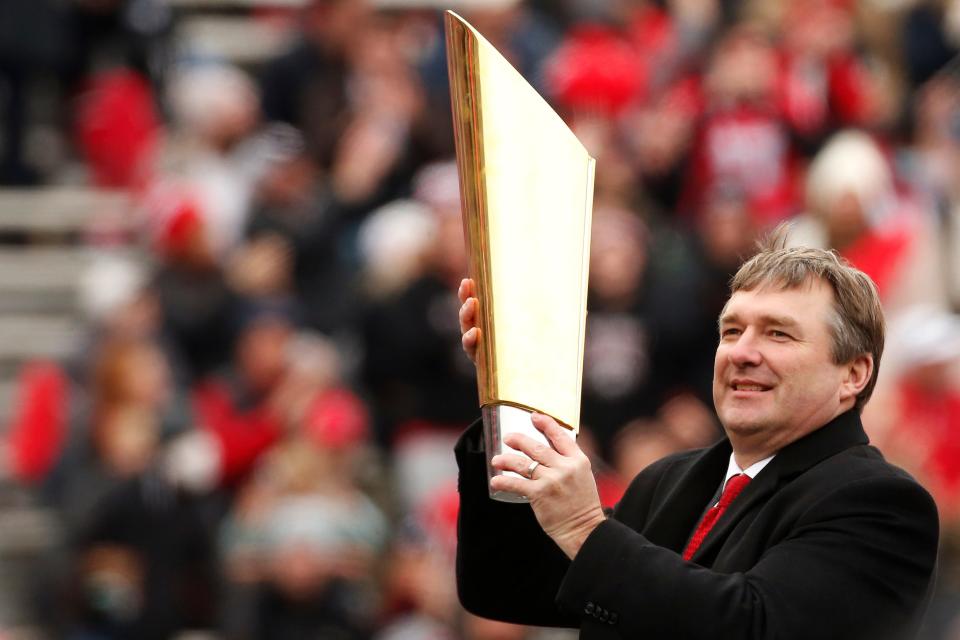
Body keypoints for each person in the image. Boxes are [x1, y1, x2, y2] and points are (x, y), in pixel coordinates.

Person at [453, 228, 939, 639]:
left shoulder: (882, 504)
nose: (741, 352)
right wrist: (508, 392)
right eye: (731, 331)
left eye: (778, 334)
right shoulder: (668, 480)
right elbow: (502, 584)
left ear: (853, 374)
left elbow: (752, 625)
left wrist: (585, 530)